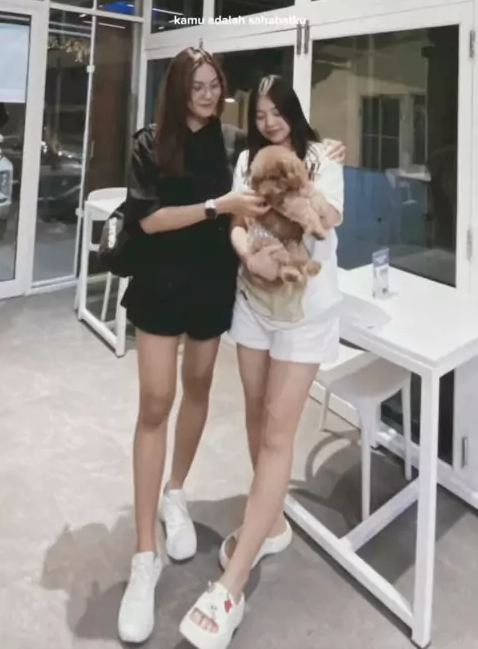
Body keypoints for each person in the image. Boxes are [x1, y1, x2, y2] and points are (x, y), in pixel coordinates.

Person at [117, 49, 344, 644]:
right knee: (160, 403)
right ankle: (145, 553)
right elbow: (157, 219)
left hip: (221, 293)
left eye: (214, 84)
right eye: (197, 84)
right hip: (178, 289)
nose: (208, 93)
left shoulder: (240, 146)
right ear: (177, 88)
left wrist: (322, 160)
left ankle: (182, 500)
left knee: (210, 398)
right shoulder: (157, 143)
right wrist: (231, 226)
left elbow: (312, 196)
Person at [179, 75, 344, 649]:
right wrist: (250, 256)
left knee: (278, 431)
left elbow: (329, 217)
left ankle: (231, 584)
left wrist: (306, 183)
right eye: (261, 114)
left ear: (293, 111)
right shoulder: (247, 159)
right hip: (253, 302)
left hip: (306, 311)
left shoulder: (322, 157)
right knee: (254, 412)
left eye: (278, 112)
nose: (269, 121)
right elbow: (236, 223)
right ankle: (271, 522)